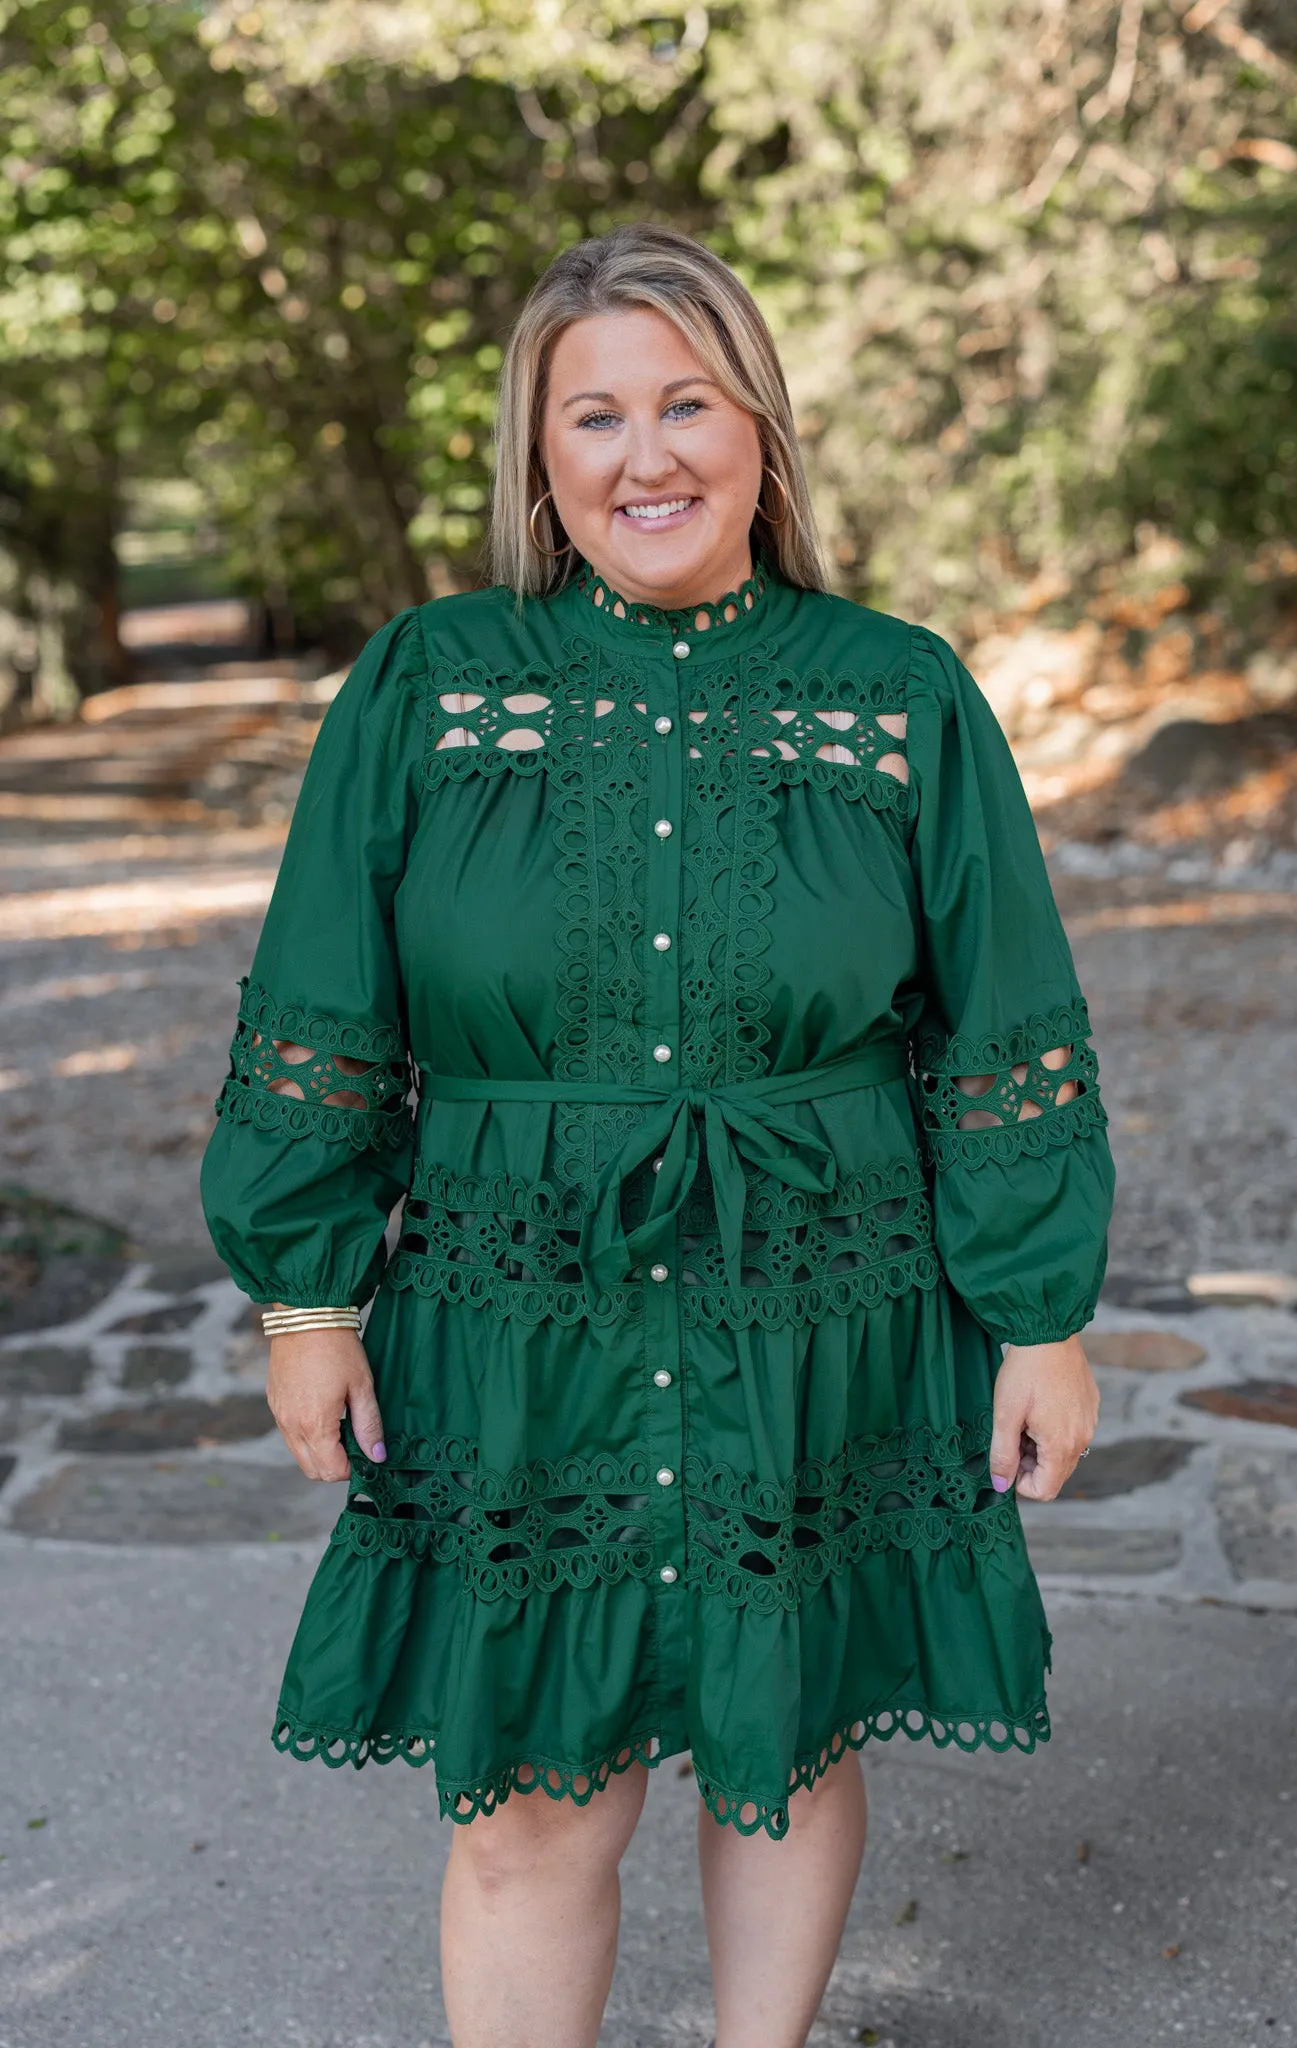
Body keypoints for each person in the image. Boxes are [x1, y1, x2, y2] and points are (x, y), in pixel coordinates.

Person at [201, 222, 1113, 2048]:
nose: (648, 456)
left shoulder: (899, 690)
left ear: (760, 426)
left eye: (688, 402)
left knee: (786, 1736)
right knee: (533, 1793)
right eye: (595, 415)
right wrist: (304, 1301)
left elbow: (1004, 1019)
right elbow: (321, 1008)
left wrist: (1039, 1310)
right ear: (538, 461)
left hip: (824, 1305)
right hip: (513, 1311)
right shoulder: (427, 687)